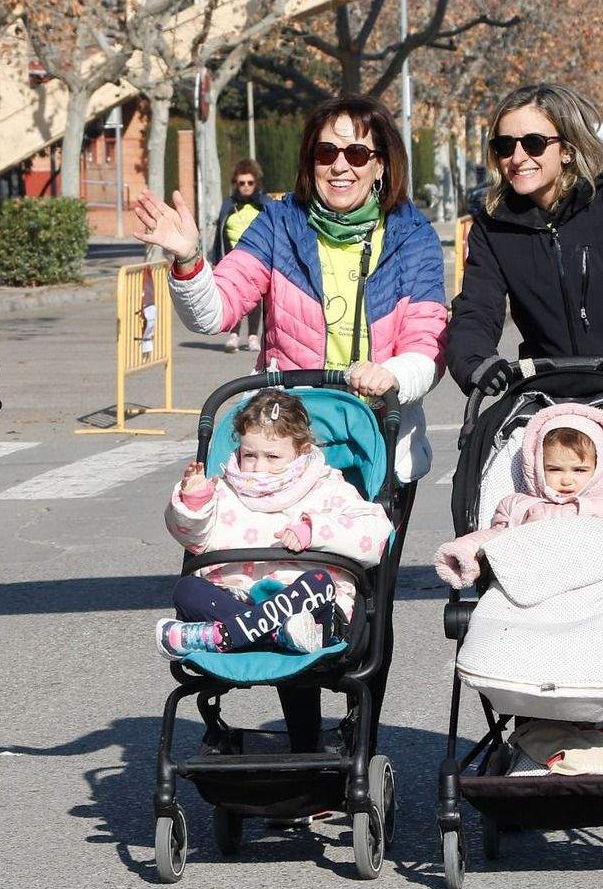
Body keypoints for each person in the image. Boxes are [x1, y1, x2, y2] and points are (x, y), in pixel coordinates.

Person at [129, 94, 448, 486]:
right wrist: (189, 259)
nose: (340, 166)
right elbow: (214, 313)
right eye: (326, 152)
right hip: (282, 439)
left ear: (380, 164)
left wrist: (389, 375)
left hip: (377, 440)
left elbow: (426, 347)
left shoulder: (413, 237)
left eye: (358, 154)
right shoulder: (278, 224)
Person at [159, 390, 393, 750]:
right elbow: (192, 538)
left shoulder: (326, 487)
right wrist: (193, 502)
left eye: (272, 456)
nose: (258, 466)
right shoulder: (222, 488)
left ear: (300, 451)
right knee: (186, 590)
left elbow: (374, 532)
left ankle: (233, 634)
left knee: (315, 583)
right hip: (240, 602)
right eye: (249, 455)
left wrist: (314, 530)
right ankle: (265, 631)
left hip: (305, 609)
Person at [447, 83, 603, 395]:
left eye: (534, 143)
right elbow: (476, 308)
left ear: (567, 149)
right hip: (547, 395)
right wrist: (476, 360)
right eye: (505, 146)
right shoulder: (493, 225)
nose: (518, 157)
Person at [433, 402, 603, 600]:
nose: (567, 481)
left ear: (601, 465)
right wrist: (463, 552)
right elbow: (492, 537)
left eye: (579, 470)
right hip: (534, 588)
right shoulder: (519, 504)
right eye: (555, 470)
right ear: (538, 467)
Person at [210, 157, 267, 352]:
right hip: (233, 259)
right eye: (241, 183)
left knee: (255, 299)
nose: (245, 187)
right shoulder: (228, 205)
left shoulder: (264, 204)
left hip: (258, 261)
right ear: (236, 184)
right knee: (234, 296)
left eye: (250, 183)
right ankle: (233, 335)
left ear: (256, 183)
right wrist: (216, 259)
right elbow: (220, 233)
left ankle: (253, 336)